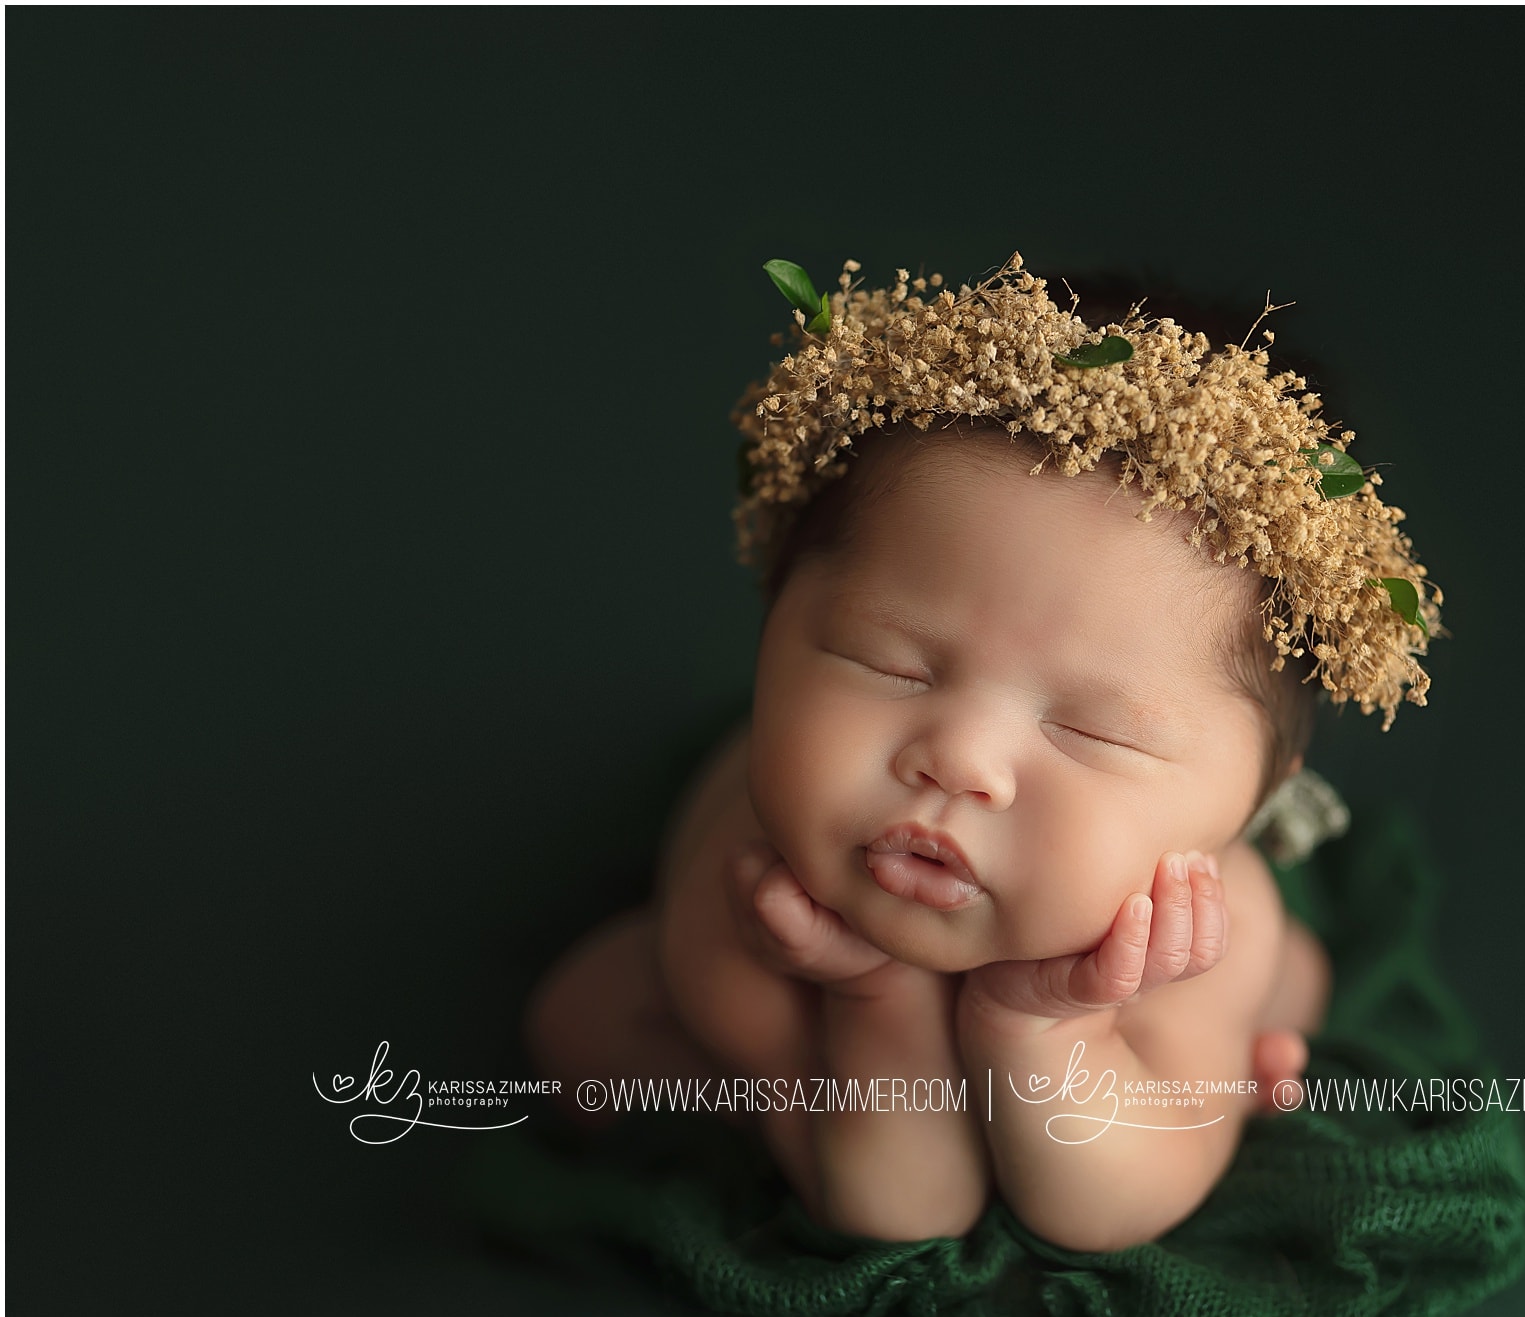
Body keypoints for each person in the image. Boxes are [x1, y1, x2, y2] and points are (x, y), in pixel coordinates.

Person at [525, 253, 1440, 1252]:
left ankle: (1223, 1047)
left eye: (1092, 731)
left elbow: (1109, 1213)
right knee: (583, 1028)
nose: (958, 758)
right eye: (887, 665)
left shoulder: (1197, 933)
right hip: (801, 1061)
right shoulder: (748, 891)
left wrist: (1044, 1029)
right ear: (773, 624)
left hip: (1153, 1004)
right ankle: (763, 1097)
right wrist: (873, 993)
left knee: (1275, 999)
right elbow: (897, 1205)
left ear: (1251, 805)